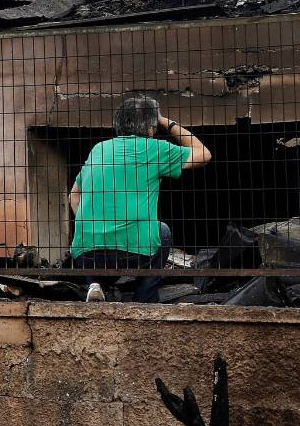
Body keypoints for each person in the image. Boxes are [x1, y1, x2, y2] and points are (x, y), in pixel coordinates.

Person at [69, 96, 212, 302]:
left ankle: (96, 284)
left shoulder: (98, 149)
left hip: (86, 254)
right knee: (162, 232)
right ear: (151, 128)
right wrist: (166, 122)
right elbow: (204, 154)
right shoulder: (153, 148)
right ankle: (145, 299)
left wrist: (92, 225)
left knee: (101, 245)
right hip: (130, 252)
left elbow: (74, 196)